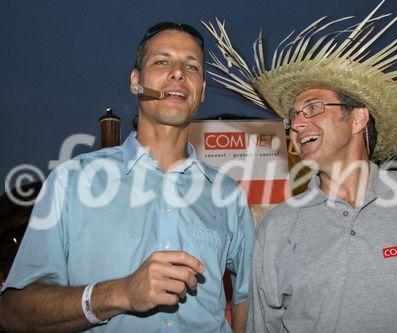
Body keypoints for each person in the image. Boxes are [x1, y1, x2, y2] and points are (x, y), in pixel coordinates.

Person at [204, 3, 397, 332]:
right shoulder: (278, 228)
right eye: (293, 117)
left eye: (313, 108)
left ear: (358, 117)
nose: (297, 125)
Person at [0, 22, 254, 333]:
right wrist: (119, 293)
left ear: (200, 91)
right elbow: (13, 311)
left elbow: (246, 297)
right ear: (136, 81)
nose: (178, 73)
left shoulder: (228, 193)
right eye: (162, 61)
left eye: (192, 66)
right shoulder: (71, 181)